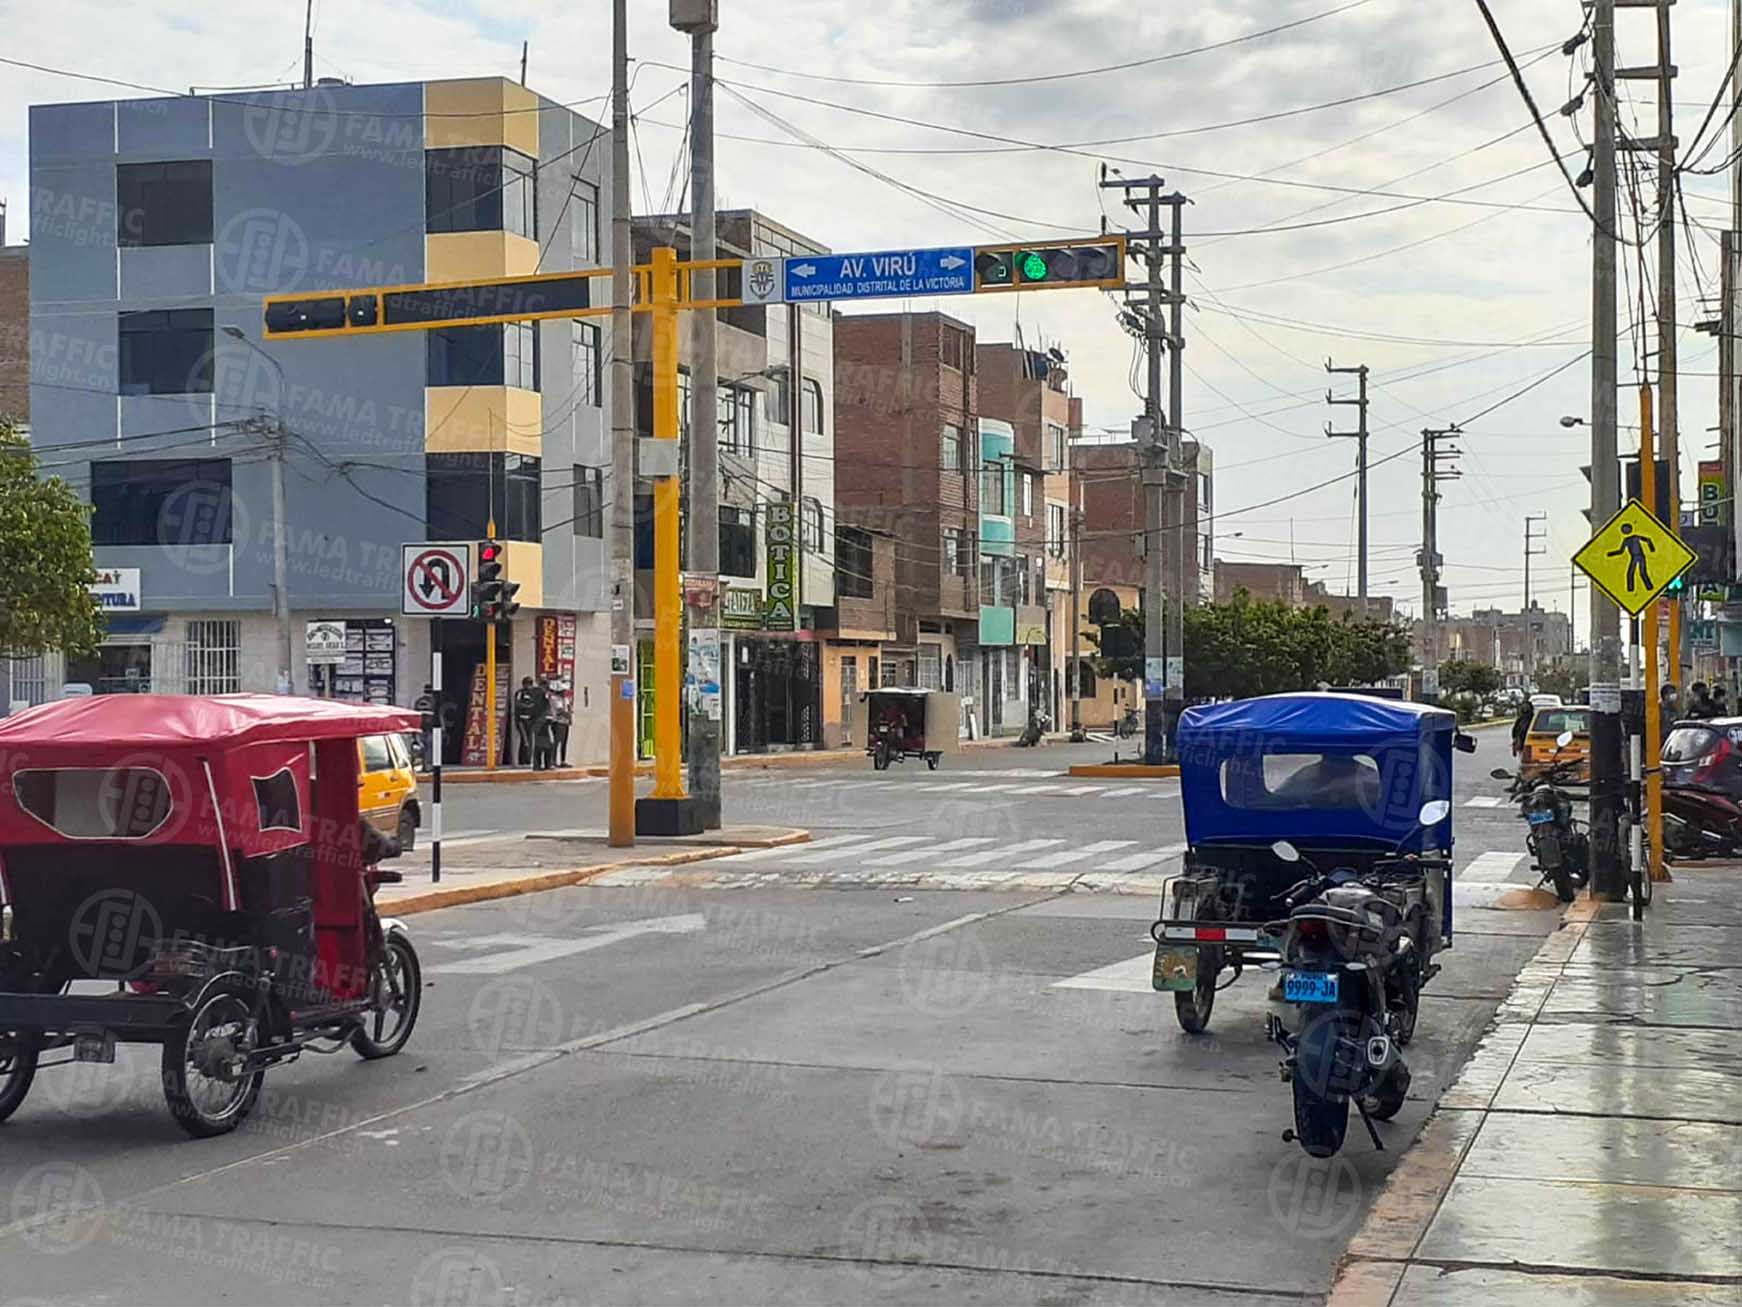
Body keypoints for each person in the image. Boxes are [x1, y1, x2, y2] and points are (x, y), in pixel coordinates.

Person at [512, 676, 549, 767]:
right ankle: (522, 761)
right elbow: (517, 703)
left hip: (531, 719)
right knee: (525, 740)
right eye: (528, 684)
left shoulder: (535, 692)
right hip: (521, 719)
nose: (529, 686)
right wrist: (528, 706)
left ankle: (528, 760)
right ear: (524, 684)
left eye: (531, 684)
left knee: (530, 740)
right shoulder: (520, 693)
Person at [413, 682, 436, 767]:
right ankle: (428, 765)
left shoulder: (418, 701)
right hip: (431, 728)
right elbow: (438, 715)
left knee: (420, 747)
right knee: (430, 748)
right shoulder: (434, 701)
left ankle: (421, 765)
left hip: (419, 727)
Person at [550, 690, 572, 767]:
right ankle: (553, 761)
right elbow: (560, 711)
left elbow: (568, 708)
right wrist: (568, 715)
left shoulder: (565, 699)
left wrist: (569, 718)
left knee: (564, 742)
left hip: (565, 722)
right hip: (558, 722)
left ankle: (563, 761)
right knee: (557, 742)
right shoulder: (555, 699)